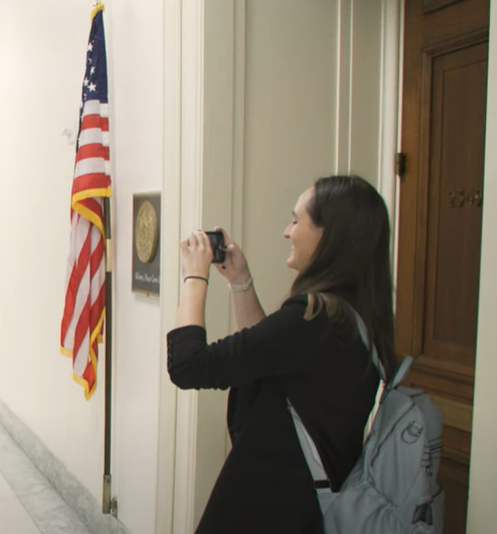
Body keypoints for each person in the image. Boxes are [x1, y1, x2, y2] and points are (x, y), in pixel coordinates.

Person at [166, 175, 391, 533]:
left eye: (296, 220)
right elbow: (268, 362)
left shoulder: (314, 317)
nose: (287, 231)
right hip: (302, 508)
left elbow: (188, 365)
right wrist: (241, 282)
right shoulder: (355, 317)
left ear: (329, 235)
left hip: (270, 508)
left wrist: (194, 277)